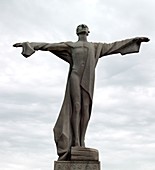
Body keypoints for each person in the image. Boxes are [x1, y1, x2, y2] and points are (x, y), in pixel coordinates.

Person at [13, 24, 149, 160]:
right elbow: (48, 46)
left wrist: (134, 40)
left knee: (85, 108)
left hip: (87, 79)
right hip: (75, 75)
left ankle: (82, 140)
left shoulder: (96, 47)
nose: (82, 27)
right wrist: (28, 44)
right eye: (80, 26)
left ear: (88, 32)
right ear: (77, 32)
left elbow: (115, 46)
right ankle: (76, 142)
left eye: (84, 26)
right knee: (76, 107)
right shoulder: (71, 46)